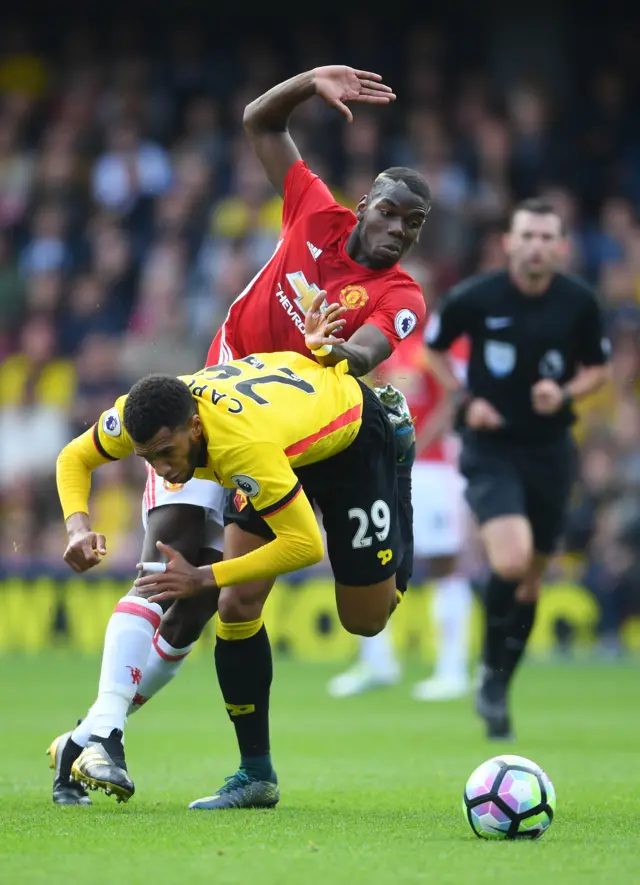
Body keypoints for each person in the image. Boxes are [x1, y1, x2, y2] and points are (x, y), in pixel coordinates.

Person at [49, 65, 432, 808]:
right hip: (231, 420)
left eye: (413, 227)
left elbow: (373, 351)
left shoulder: (399, 293)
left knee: (367, 619)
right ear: (365, 205)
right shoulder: (315, 215)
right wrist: (307, 82)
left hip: (343, 437)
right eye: (389, 214)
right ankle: (239, 767)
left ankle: (400, 470)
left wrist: (336, 348)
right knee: (214, 591)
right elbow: (260, 122)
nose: (397, 233)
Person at [55, 345, 409, 803]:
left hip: (350, 438)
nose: (162, 469)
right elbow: (73, 458)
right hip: (279, 436)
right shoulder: (143, 413)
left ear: (195, 428)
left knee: (367, 619)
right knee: (236, 602)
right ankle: (256, 774)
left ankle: (401, 458)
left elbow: (304, 545)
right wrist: (78, 527)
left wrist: (204, 576)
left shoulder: (240, 447)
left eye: (167, 453)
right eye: (148, 459)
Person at [425, 198, 610, 739]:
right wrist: (464, 400)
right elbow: (434, 351)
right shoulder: (475, 298)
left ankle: (498, 684)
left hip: (551, 451)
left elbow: (598, 370)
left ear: (561, 247)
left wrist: (566, 390)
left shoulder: (579, 303)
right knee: (510, 561)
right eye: (525, 235)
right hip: (491, 446)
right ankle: (489, 669)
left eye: (545, 237)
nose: (534, 246)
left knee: (531, 582)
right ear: (508, 242)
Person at [327, 329, 473, 701]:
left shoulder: (436, 349)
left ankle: (452, 668)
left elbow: (454, 399)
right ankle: (378, 662)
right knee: (372, 558)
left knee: (443, 563)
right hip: (382, 469)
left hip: (430, 468)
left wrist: (415, 447)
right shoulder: (379, 351)